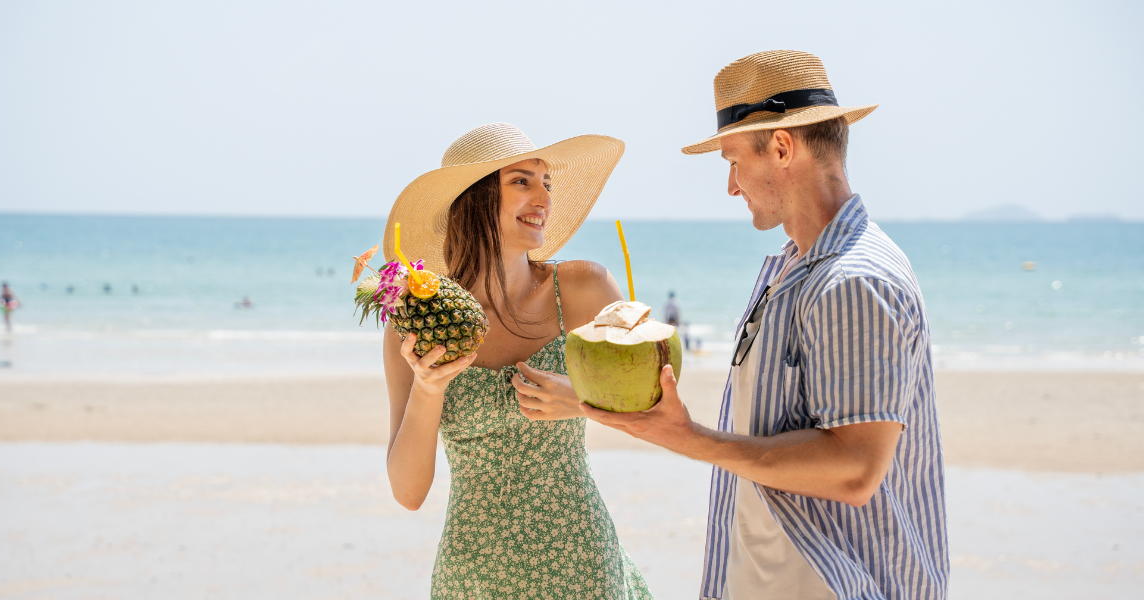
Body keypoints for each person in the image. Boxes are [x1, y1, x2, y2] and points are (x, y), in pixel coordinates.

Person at [581, 51, 948, 599]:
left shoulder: (853, 279)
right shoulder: (787, 269)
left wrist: (687, 438)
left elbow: (854, 468)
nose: (731, 186)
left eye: (733, 160)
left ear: (781, 147)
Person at [382, 123, 651, 599]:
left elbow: (658, 399)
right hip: (474, 575)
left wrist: (584, 400)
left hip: (581, 564)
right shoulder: (414, 323)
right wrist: (428, 389)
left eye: (546, 182)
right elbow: (408, 493)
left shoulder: (584, 286)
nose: (544, 198)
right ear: (475, 198)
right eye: (522, 181)